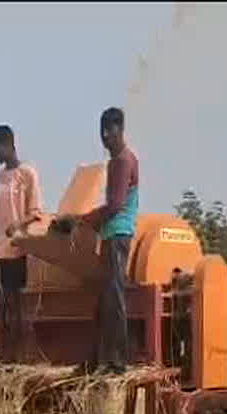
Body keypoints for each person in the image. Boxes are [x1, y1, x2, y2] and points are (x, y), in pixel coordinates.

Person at [78, 106, 139, 376]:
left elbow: (115, 205)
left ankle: (117, 362)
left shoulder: (124, 161)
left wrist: (87, 219)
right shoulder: (116, 161)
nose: (105, 138)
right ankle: (99, 359)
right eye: (102, 133)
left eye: (110, 132)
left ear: (120, 130)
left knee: (114, 299)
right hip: (110, 234)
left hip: (118, 233)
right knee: (104, 301)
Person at [0, 124, 44, 363]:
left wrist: (17, 225)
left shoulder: (27, 174)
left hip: (15, 248)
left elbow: (36, 212)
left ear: (8, 145)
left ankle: (18, 352)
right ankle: (4, 348)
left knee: (14, 300)